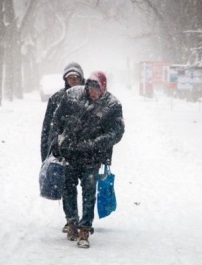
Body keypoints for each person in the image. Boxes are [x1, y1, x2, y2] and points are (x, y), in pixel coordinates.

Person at [48, 71, 125, 248]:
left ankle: (85, 228)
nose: (93, 93)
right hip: (69, 152)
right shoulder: (72, 96)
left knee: (89, 191)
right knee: (68, 188)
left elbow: (116, 132)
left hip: (92, 155)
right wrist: (55, 141)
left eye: (97, 89)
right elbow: (56, 120)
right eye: (90, 88)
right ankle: (72, 222)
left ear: (104, 88)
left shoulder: (112, 105)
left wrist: (95, 144)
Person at [41, 62, 85, 162]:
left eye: (75, 77)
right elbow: (47, 129)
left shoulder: (91, 96)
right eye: (70, 77)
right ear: (65, 79)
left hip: (87, 155)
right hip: (62, 153)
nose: (73, 80)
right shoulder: (56, 98)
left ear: (80, 78)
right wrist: (45, 157)